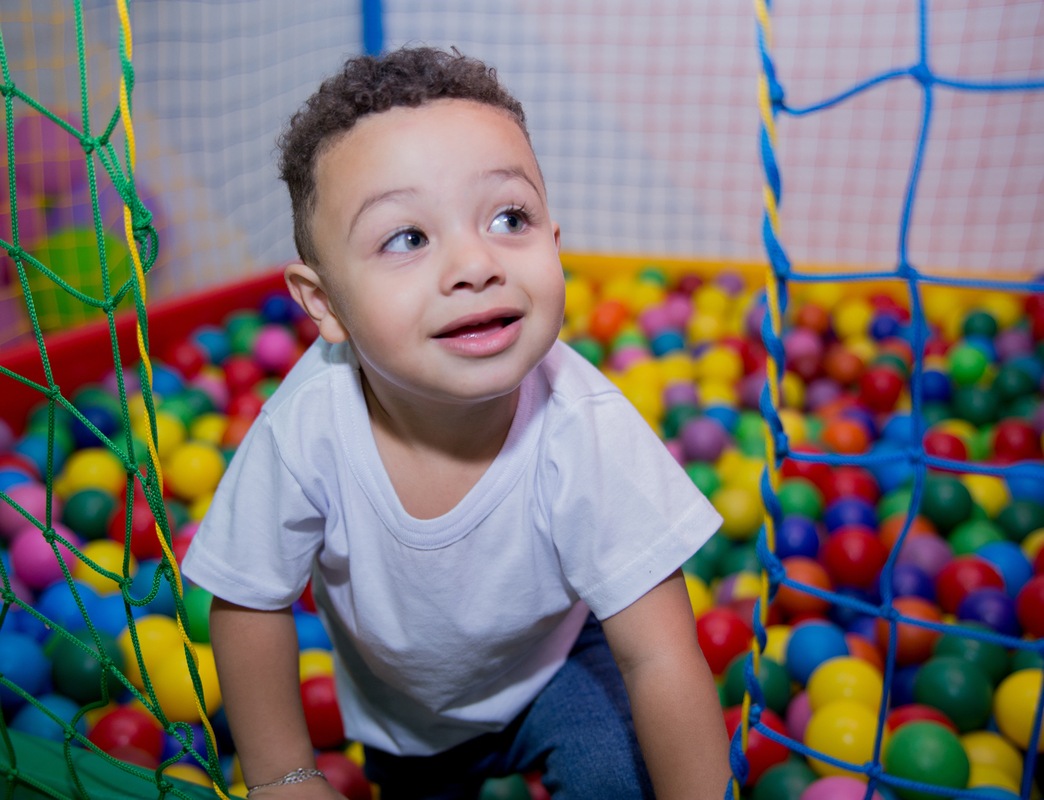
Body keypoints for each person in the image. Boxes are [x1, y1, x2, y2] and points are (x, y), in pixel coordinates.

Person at [182, 46, 730, 800]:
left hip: (561, 667)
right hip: (404, 714)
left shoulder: (585, 425)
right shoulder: (306, 428)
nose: (476, 263)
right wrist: (284, 774)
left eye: (509, 218)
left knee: (615, 773)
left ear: (555, 245)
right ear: (325, 305)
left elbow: (662, 657)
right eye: (407, 238)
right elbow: (249, 599)